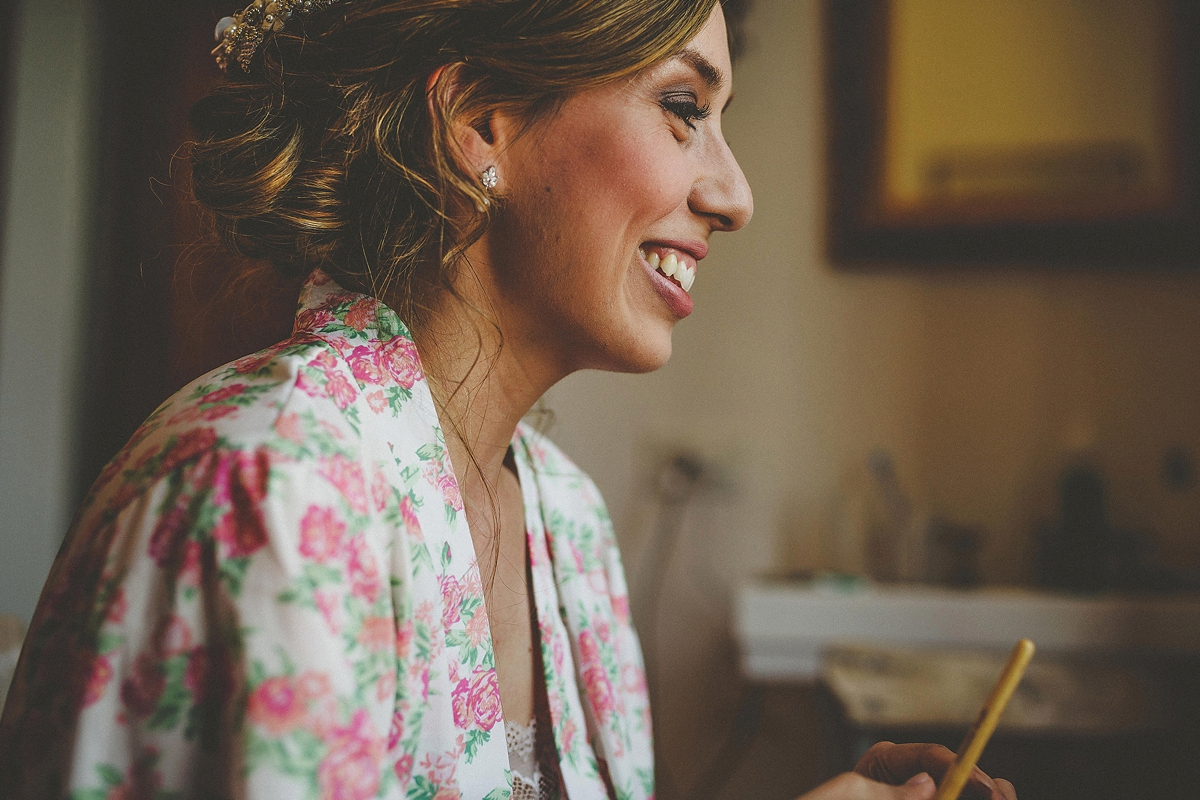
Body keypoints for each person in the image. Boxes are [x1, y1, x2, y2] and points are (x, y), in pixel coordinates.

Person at [0, 1, 1016, 798]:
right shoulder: (262, 494)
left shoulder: (568, 523)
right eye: (683, 107)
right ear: (481, 120)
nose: (735, 195)